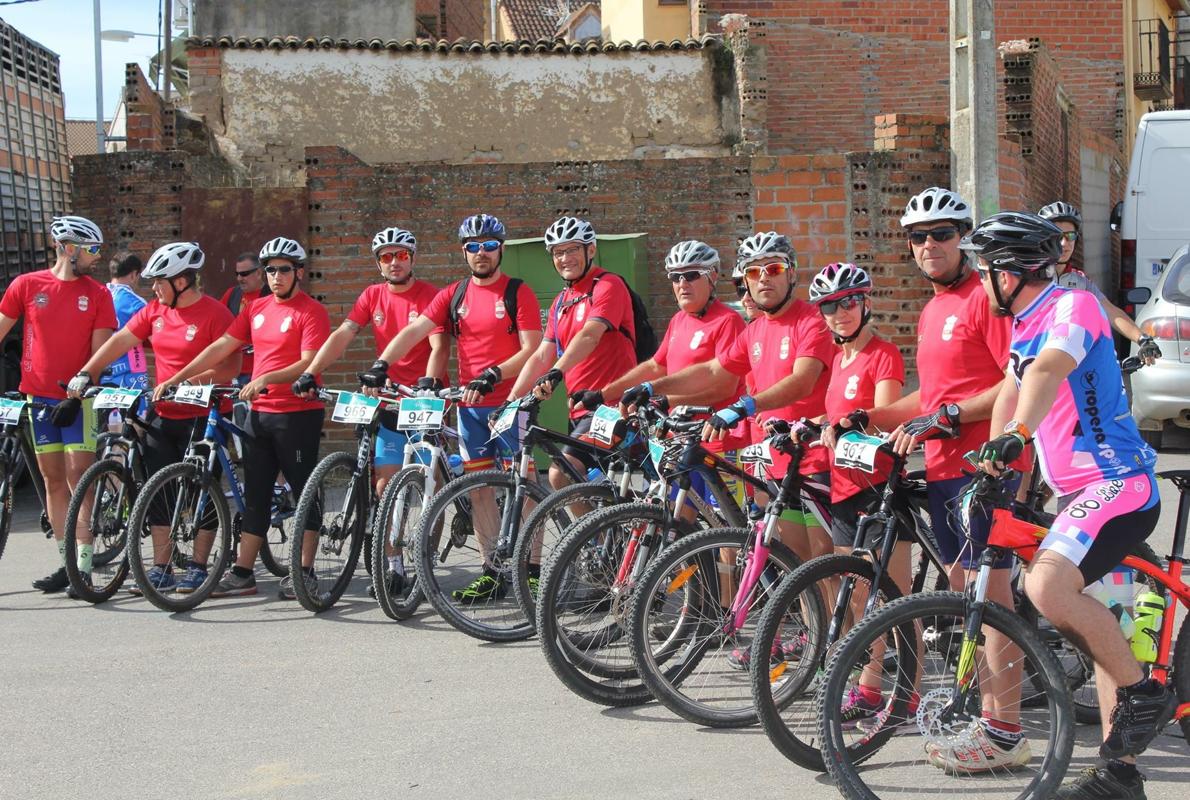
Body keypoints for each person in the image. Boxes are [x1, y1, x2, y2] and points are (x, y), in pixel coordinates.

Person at [967, 212, 1172, 797]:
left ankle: (1144, 696)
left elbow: (1052, 370)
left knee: (1047, 587)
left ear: (1010, 274)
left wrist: (1019, 435)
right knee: (1098, 618)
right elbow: (1014, 387)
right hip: (1081, 492)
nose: (982, 281)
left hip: (1118, 483)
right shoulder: (1024, 325)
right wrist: (991, 456)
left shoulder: (1070, 307)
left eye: (986, 270)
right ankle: (1120, 773)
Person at [845, 187, 1023, 742]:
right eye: (917, 237)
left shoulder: (984, 298)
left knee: (987, 591)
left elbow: (1014, 383)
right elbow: (930, 397)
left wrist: (947, 414)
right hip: (943, 466)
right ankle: (983, 705)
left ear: (963, 237)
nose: (928, 245)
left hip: (984, 466)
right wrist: (868, 416)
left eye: (941, 233)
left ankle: (1002, 726)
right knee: (963, 583)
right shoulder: (932, 308)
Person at [356, 214, 542, 603]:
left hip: (510, 404)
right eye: (473, 246)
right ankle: (492, 571)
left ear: (501, 248)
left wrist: (493, 374)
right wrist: (381, 365)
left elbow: (531, 348)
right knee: (479, 492)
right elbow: (414, 332)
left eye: (489, 245)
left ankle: (534, 571)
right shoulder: (455, 294)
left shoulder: (517, 291)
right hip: (470, 408)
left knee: (524, 488)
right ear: (464, 252)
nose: (481, 253)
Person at [621, 231, 835, 567]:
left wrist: (745, 405)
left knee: (825, 566)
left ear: (791, 273)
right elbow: (712, 371)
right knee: (799, 568)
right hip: (779, 460)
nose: (763, 278)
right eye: (753, 271)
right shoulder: (755, 329)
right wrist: (653, 388)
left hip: (816, 460)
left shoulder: (811, 322)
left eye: (774, 269)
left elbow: (802, 381)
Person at [155, 236, 330, 600]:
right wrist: (178, 378)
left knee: (304, 492)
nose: (276, 276)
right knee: (256, 495)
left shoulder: (311, 310)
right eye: (270, 270)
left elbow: (309, 362)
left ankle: (305, 570)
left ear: (298, 272)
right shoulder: (256, 308)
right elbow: (222, 346)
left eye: (284, 269)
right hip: (259, 415)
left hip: (297, 415)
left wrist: (265, 378)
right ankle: (242, 572)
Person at [69, 242, 240, 595]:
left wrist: (188, 383)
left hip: (203, 414)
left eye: (159, 282)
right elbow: (121, 339)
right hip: (164, 414)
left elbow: (230, 366)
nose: (153, 289)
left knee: (201, 491)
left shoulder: (215, 313)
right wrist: (88, 370)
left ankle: (198, 566)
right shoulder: (155, 311)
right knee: (157, 491)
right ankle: (160, 567)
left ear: (182, 281)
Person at [294, 226, 447, 597]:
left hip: (422, 399)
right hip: (388, 399)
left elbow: (438, 345)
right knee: (385, 484)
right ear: (379, 264)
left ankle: (423, 558)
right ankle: (394, 566)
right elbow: (343, 335)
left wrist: (428, 382)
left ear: (413, 258)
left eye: (402, 255)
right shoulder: (372, 296)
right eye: (386, 257)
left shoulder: (431, 295)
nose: (394, 262)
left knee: (434, 488)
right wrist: (310, 371)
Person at [810, 262, 908, 727]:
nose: (839, 312)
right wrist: (806, 426)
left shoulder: (883, 354)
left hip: (878, 486)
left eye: (847, 302)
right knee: (855, 594)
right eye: (829, 306)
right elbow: (832, 417)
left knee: (891, 596)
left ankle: (901, 693)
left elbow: (885, 412)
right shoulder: (838, 359)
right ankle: (868, 688)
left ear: (865, 303)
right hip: (842, 488)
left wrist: (855, 419)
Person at [0, 215, 116, 593]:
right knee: (52, 481)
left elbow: (99, 354)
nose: (98, 257)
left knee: (78, 477)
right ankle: (66, 561)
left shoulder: (98, 294)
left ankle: (83, 564)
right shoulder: (27, 285)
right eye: (92, 249)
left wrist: (79, 391)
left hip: (77, 399)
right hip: (38, 398)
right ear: (69, 248)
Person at [509, 217, 637, 488]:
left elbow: (590, 335)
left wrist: (556, 373)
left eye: (572, 250)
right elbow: (543, 354)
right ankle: (600, 530)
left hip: (613, 406)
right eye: (558, 252)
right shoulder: (560, 302)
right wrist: (511, 400)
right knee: (590, 486)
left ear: (591, 250)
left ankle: (595, 530)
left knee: (560, 474)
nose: (565, 258)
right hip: (580, 410)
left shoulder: (607, 285)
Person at [1038, 202, 1160, 366]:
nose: (1064, 243)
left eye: (1070, 236)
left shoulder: (1081, 281)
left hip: (1071, 364)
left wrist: (1143, 339)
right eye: (1057, 236)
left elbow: (1110, 312)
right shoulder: (1030, 278)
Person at [102, 253, 149, 402]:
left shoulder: (98, 296)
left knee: (108, 421)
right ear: (134, 274)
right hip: (131, 373)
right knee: (133, 422)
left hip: (102, 370)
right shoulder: (136, 303)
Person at [220, 252, 270, 385]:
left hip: (260, 372)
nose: (239, 278)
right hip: (233, 370)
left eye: (244, 274)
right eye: (237, 274)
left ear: (259, 273)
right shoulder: (232, 294)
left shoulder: (271, 296)